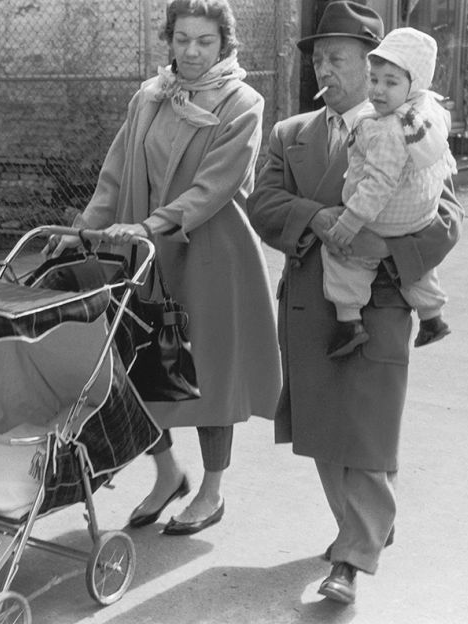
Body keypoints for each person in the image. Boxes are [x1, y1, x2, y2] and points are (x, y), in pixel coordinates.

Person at [246, 1, 463, 605]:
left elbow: (447, 218)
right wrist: (318, 216)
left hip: (384, 301)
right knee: (322, 432)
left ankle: (351, 556)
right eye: (318, 57)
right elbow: (262, 204)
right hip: (310, 304)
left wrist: (384, 247)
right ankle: (362, 526)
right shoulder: (292, 135)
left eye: (338, 57)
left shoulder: (416, 132)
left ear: (376, 66)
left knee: (366, 433)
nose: (325, 69)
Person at [49, 0, 281, 536]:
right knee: (139, 367)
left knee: (209, 376)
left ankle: (211, 492)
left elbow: (215, 187)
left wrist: (152, 225)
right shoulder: (150, 96)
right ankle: (167, 474)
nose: (192, 51)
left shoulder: (242, 102)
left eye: (204, 40)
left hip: (213, 258)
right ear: (168, 41)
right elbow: (114, 175)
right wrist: (86, 231)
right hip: (145, 255)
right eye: (182, 39)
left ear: (225, 43)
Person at [323, 27, 456, 358]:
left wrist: (350, 222)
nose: (378, 90)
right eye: (375, 80)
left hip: (382, 219)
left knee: (346, 258)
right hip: (418, 217)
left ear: (414, 83)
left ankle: (348, 323)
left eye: (391, 82)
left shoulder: (386, 130)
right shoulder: (428, 113)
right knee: (417, 269)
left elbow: (377, 184)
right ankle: (432, 317)